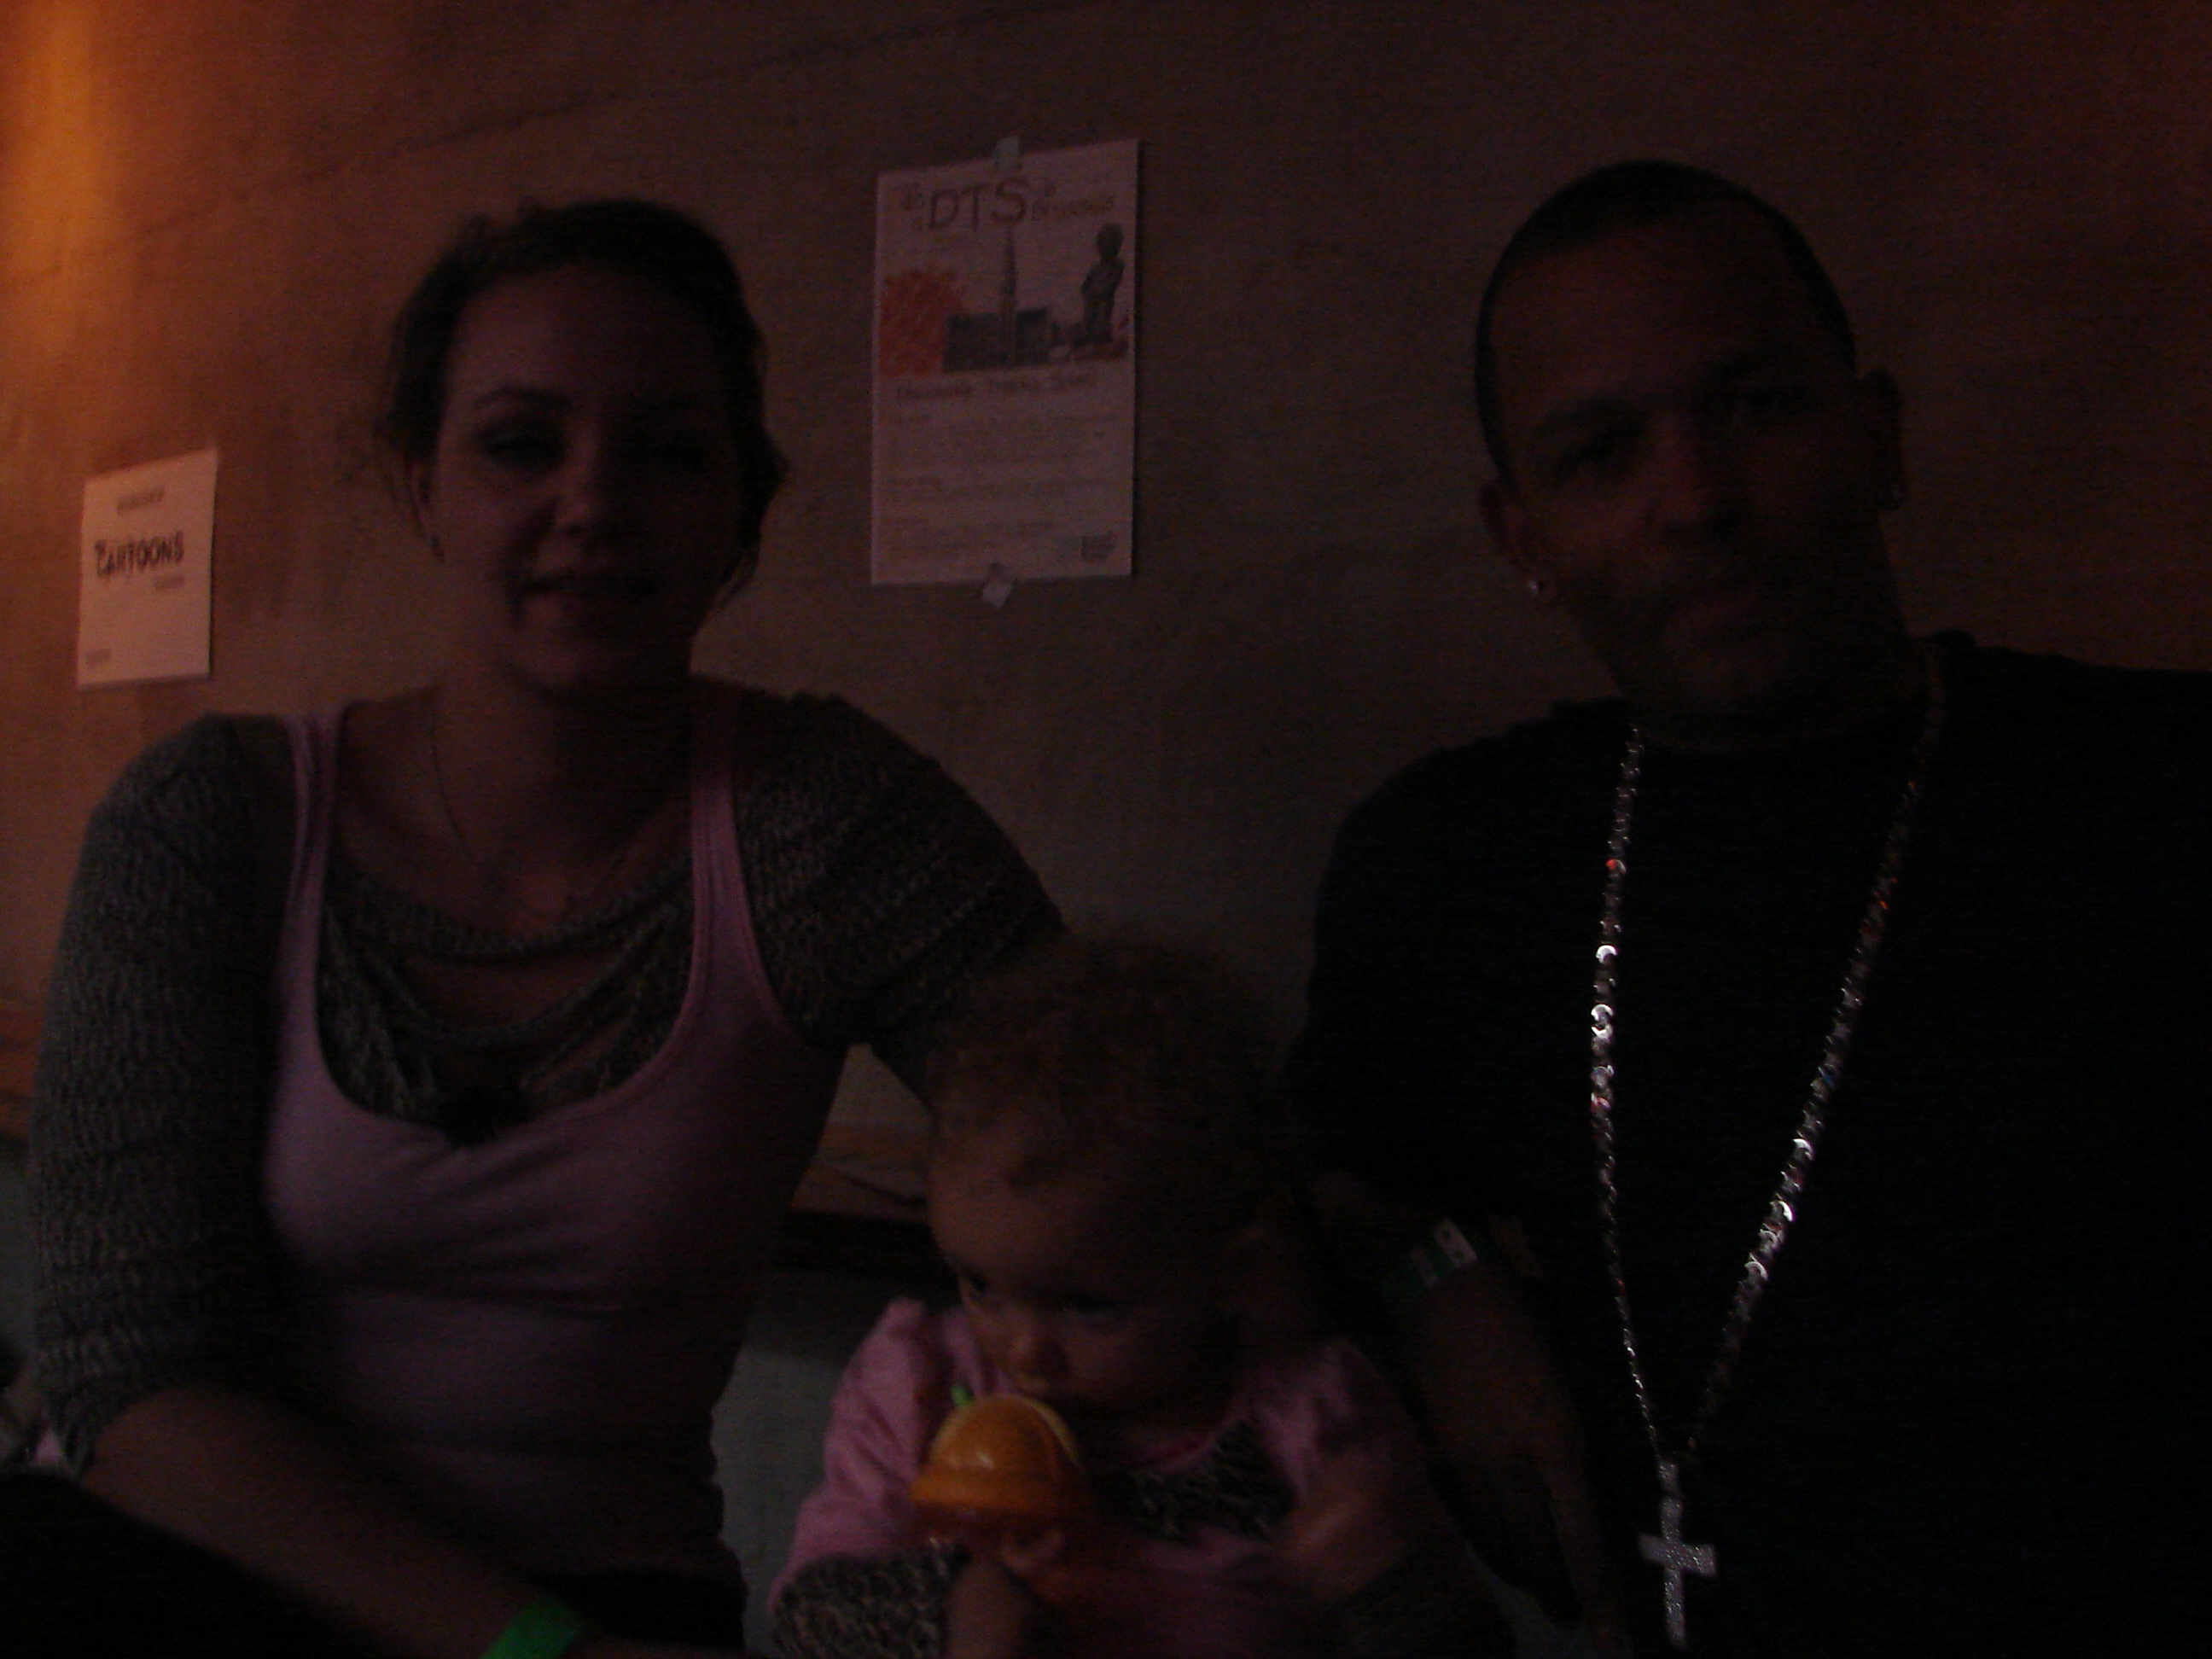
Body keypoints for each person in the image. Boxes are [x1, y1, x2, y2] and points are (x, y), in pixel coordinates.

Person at [8, 200, 1059, 1659]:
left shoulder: (828, 826)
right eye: (520, 443)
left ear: (740, 511)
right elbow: (130, 1379)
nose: (594, 500)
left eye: (669, 452)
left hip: (613, 1585)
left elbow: (1131, 1135)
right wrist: (538, 1654)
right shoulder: (213, 821)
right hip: (205, 1572)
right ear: (422, 482)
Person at [1289, 160, 2209, 1656]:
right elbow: (1334, 1183)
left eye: (1760, 407)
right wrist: (1437, 1284)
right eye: (1601, 453)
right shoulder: (1446, 864)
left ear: (1877, 435)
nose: (1697, 499)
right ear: (1521, 538)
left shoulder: (2154, 796)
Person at [772, 939, 1507, 1658]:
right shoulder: (924, 1388)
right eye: (980, 1285)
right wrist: (941, 1611)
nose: (1023, 1349)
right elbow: (808, 1613)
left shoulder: (1310, 1418)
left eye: (1089, 1306)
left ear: (1230, 1275)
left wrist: (1390, 1591)